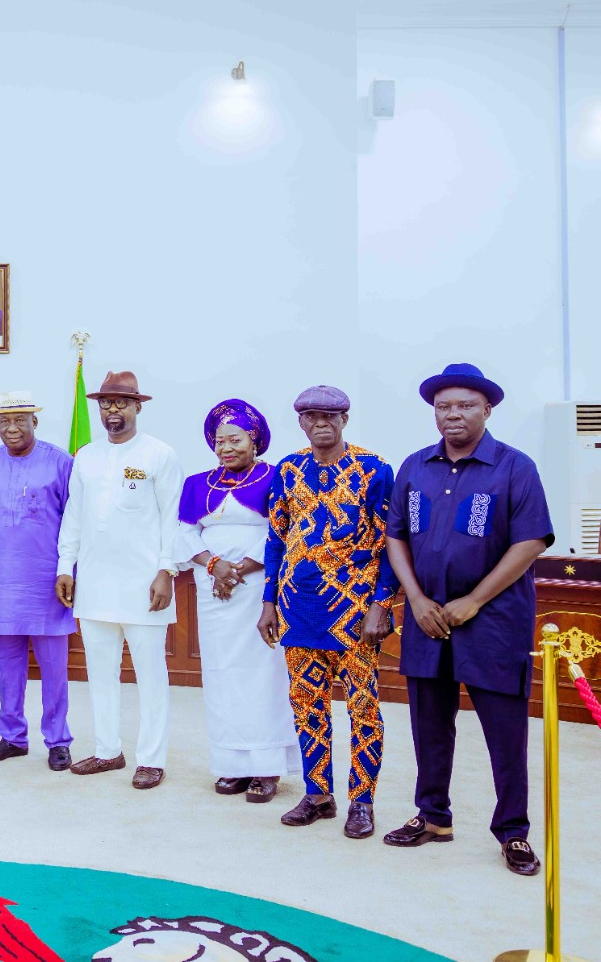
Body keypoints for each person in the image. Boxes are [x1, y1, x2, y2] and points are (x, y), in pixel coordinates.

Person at [382, 364, 554, 876]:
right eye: (443, 406)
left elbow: (529, 542)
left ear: (487, 410)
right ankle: (433, 816)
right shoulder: (416, 466)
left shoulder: (513, 467)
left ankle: (513, 832)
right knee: (429, 724)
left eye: (464, 405)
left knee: (505, 731)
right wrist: (414, 600)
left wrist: (475, 600)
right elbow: (395, 537)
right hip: (427, 617)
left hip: (493, 619)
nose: (452, 414)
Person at [260, 384, 398, 839]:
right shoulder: (287, 469)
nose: (321, 423)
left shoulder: (374, 469)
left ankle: (362, 801)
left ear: (344, 420)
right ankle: (318, 794)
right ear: (300, 422)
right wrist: (268, 603)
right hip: (298, 609)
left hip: (354, 614)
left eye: (330, 416)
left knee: (363, 706)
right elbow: (276, 538)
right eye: (311, 416)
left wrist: (381, 604)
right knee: (305, 705)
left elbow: (389, 545)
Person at [55, 371, 182, 790]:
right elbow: (73, 516)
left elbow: (173, 519)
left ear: (137, 407)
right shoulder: (86, 456)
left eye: (121, 403)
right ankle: (108, 750)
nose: (113, 410)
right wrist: (64, 566)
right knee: (100, 672)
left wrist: (166, 571)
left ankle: (151, 758)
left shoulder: (160, 454)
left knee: (151, 676)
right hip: (94, 583)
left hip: (146, 585)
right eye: (106, 403)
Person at [174, 400, 299, 805]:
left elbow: (285, 531)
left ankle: (265, 767)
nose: (226, 447)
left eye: (236, 439)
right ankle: (232, 765)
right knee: (222, 674)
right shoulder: (196, 483)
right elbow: (183, 535)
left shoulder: (278, 476)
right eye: (220, 441)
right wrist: (214, 565)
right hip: (215, 594)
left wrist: (239, 568)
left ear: (255, 440)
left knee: (263, 675)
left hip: (260, 591)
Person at [0, 391, 76, 771]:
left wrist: (69, 571)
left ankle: (58, 740)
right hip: (1, 581)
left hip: (48, 581)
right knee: (8, 666)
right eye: (4, 421)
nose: (11, 428)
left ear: (35, 421)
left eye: (20, 420)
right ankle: (12, 736)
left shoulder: (61, 462)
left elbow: (73, 523)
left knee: (54, 669)